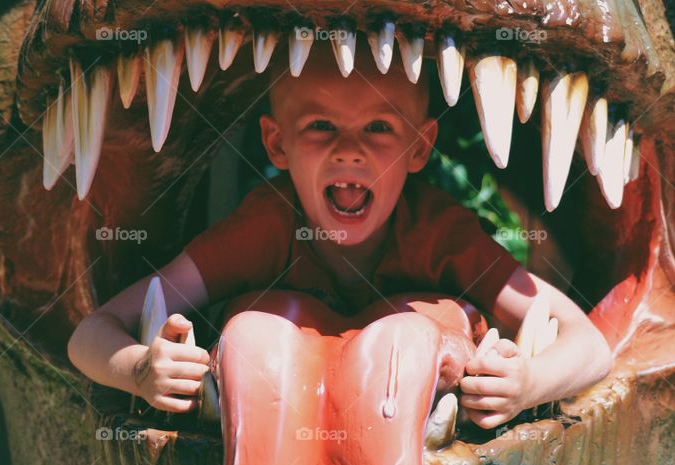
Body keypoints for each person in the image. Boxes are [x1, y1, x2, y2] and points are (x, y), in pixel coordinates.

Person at [68, 38, 613, 430]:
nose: (349, 150)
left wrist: (526, 384)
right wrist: (140, 369)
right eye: (321, 126)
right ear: (276, 145)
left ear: (419, 148)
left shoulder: (441, 234)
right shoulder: (263, 230)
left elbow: (589, 344)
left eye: (379, 127)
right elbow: (92, 331)